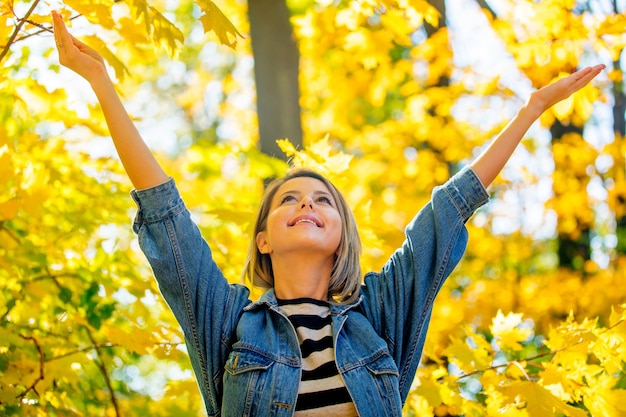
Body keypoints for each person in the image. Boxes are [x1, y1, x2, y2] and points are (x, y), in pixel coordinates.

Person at [52, 10, 605, 417]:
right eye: (287, 200)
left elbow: (445, 214)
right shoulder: (230, 324)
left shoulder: (378, 318)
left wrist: (531, 110)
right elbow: (166, 218)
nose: (306, 204)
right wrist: (101, 83)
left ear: (342, 236)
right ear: (263, 239)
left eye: (322, 201)